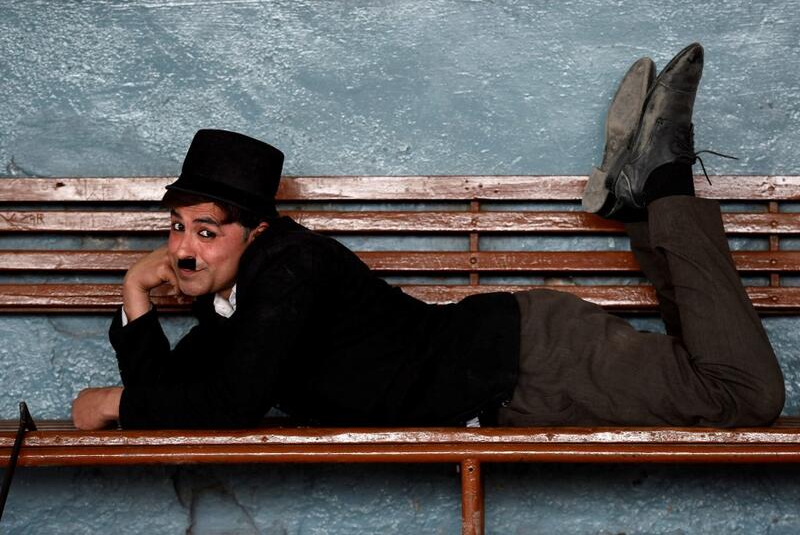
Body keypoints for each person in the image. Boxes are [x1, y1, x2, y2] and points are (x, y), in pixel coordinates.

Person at [72, 42, 785, 430]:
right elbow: (174, 406)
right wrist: (134, 294)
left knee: (744, 395)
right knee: (711, 374)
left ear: (254, 233)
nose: (184, 249)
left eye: (206, 230)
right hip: (519, 370)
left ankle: (661, 180)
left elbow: (228, 405)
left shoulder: (288, 270)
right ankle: (640, 202)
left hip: (534, 367)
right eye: (174, 229)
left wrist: (114, 403)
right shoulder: (240, 304)